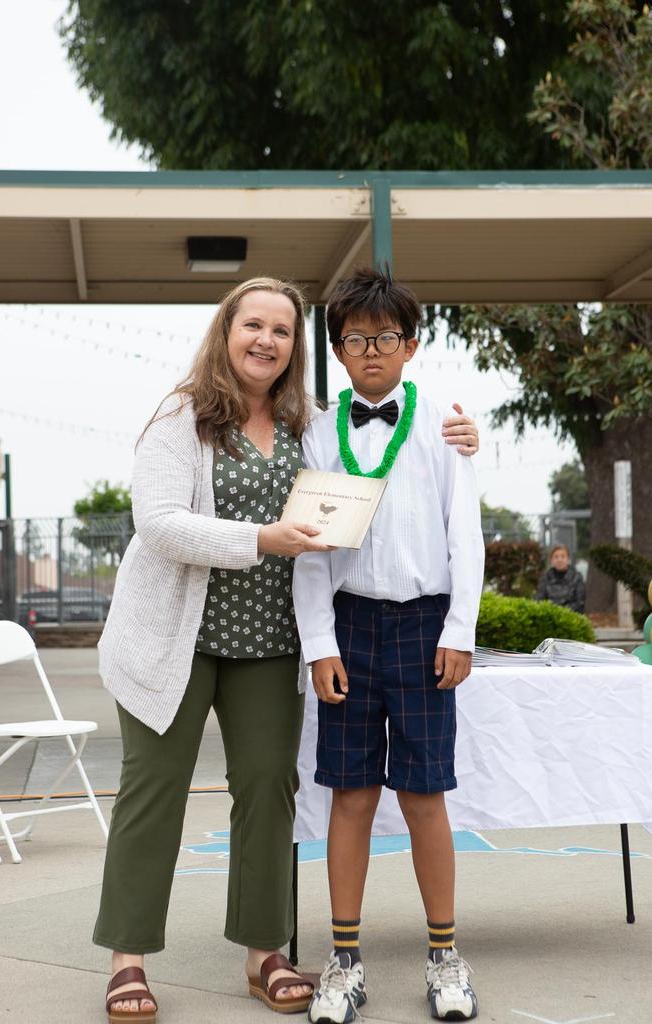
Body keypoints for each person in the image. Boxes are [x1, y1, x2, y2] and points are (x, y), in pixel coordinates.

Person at [94, 275, 481, 1023]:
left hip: (266, 641)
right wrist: (261, 540)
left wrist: (465, 437)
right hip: (174, 637)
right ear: (226, 332)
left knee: (271, 788)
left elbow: (417, 494)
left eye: (281, 329)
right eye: (253, 325)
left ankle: (265, 951)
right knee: (155, 791)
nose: (266, 340)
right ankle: (128, 957)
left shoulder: (308, 420)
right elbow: (159, 523)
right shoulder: (182, 415)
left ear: (296, 347)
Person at [293, 267, 485, 1023]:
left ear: (410, 344)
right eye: (354, 339)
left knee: (424, 794)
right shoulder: (317, 432)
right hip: (348, 627)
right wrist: (318, 642)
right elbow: (310, 551)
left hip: (424, 626)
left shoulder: (443, 426)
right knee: (349, 794)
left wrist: (459, 629)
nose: (370, 351)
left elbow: (464, 535)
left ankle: (445, 956)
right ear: (337, 349)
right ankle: (344, 961)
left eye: (384, 337)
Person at [535, 543, 586, 613]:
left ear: (568, 559)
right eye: (556, 557)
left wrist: (561, 612)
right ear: (551, 560)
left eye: (563, 556)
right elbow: (539, 600)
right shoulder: (545, 578)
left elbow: (580, 603)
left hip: (571, 616)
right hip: (549, 615)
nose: (559, 560)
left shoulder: (577, 577)